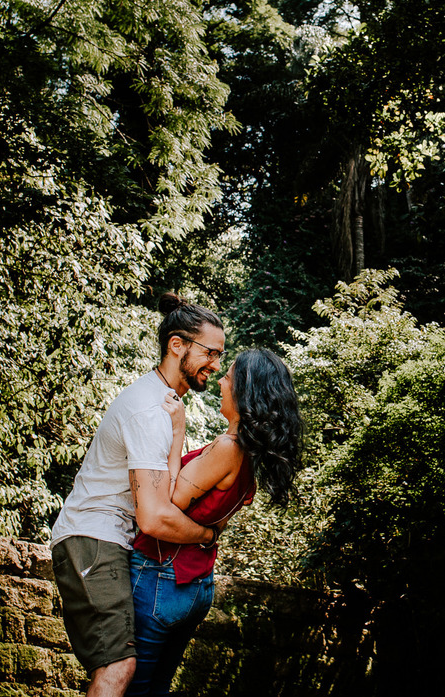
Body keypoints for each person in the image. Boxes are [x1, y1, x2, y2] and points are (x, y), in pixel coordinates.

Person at [50, 294, 227, 697]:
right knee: (118, 665)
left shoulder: (164, 404)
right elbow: (153, 516)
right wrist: (206, 536)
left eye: (220, 356)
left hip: (111, 540)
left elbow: (164, 492)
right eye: (210, 353)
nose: (215, 365)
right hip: (93, 539)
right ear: (176, 345)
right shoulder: (148, 410)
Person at [126, 348, 304, 697]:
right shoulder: (250, 452)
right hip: (194, 583)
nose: (220, 380)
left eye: (229, 376)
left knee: (133, 686)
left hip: (162, 575)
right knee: (156, 688)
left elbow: (169, 501)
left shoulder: (229, 446)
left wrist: (178, 430)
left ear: (244, 391)